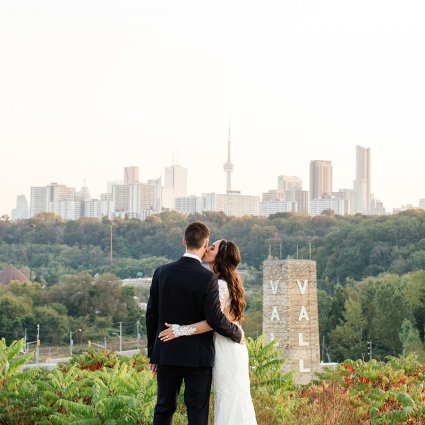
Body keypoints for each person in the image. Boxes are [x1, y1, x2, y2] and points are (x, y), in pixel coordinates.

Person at [146, 222, 243, 425]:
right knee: (197, 413)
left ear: (184, 240)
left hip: (166, 352)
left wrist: (153, 352)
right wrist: (236, 333)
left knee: (163, 408)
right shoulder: (208, 278)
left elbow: (151, 315)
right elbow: (215, 319)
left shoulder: (161, 272)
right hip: (198, 357)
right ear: (205, 242)